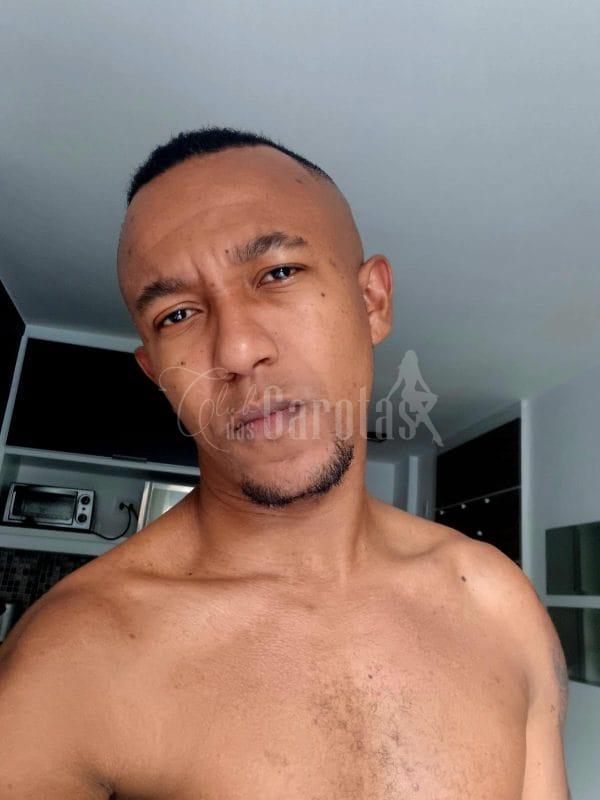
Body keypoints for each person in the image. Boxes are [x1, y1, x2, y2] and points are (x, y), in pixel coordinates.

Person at [0, 127, 571, 799]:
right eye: (178, 314)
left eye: (277, 273)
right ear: (157, 373)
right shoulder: (67, 669)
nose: (237, 351)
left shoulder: (498, 605)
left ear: (372, 301)